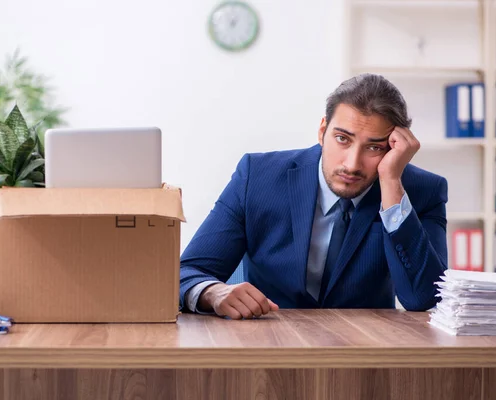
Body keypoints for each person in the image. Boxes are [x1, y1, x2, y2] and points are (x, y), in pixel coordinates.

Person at [179, 73, 447, 319]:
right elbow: (185, 274)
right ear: (322, 132)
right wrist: (213, 292)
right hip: (267, 344)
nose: (352, 164)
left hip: (363, 350)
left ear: (392, 148)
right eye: (343, 139)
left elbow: (422, 298)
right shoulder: (257, 177)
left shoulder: (421, 191)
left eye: (374, 147)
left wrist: (390, 182)